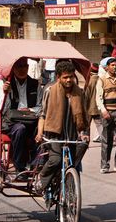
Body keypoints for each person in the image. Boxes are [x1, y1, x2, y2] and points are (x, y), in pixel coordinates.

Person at [34, 60, 89, 194]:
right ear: (58, 77)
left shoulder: (79, 92)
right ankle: (42, 179)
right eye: (65, 77)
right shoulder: (49, 90)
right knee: (56, 160)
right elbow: (43, 114)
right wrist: (39, 133)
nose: (69, 80)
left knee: (76, 159)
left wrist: (83, 133)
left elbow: (83, 116)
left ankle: (69, 177)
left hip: (72, 135)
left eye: (71, 76)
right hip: (53, 136)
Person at [1, 58, 41, 175]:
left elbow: (40, 105)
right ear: (13, 68)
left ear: (28, 68)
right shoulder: (6, 84)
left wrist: (30, 110)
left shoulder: (35, 84)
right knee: (20, 129)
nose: (22, 69)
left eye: (24, 66)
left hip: (31, 119)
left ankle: (36, 164)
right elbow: (3, 108)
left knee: (42, 130)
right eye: (19, 66)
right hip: (11, 122)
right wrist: (6, 93)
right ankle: (20, 167)